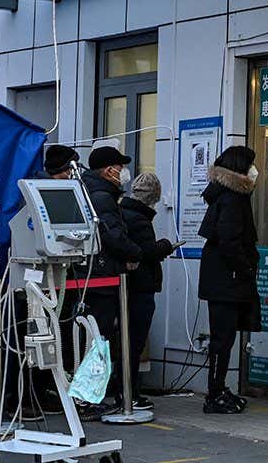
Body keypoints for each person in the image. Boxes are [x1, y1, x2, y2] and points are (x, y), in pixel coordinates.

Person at [196, 146, 260, 415]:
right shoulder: (233, 198)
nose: (255, 171)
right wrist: (245, 269)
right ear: (241, 168)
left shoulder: (221, 195)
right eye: (251, 165)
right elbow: (230, 240)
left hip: (219, 279)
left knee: (222, 338)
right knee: (223, 340)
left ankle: (218, 389)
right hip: (227, 281)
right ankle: (215, 393)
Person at [78, 146, 142, 409]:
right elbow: (112, 235)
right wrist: (135, 252)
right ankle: (87, 398)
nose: (123, 172)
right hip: (102, 277)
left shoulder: (87, 191)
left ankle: (87, 396)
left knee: (92, 338)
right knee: (98, 340)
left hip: (92, 275)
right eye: (120, 167)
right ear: (108, 170)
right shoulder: (102, 197)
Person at [118, 172, 175, 411]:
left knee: (126, 341)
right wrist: (165, 246)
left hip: (127, 287)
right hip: (140, 288)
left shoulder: (124, 213)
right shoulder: (140, 220)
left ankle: (126, 391)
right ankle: (129, 393)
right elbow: (146, 251)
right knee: (134, 341)